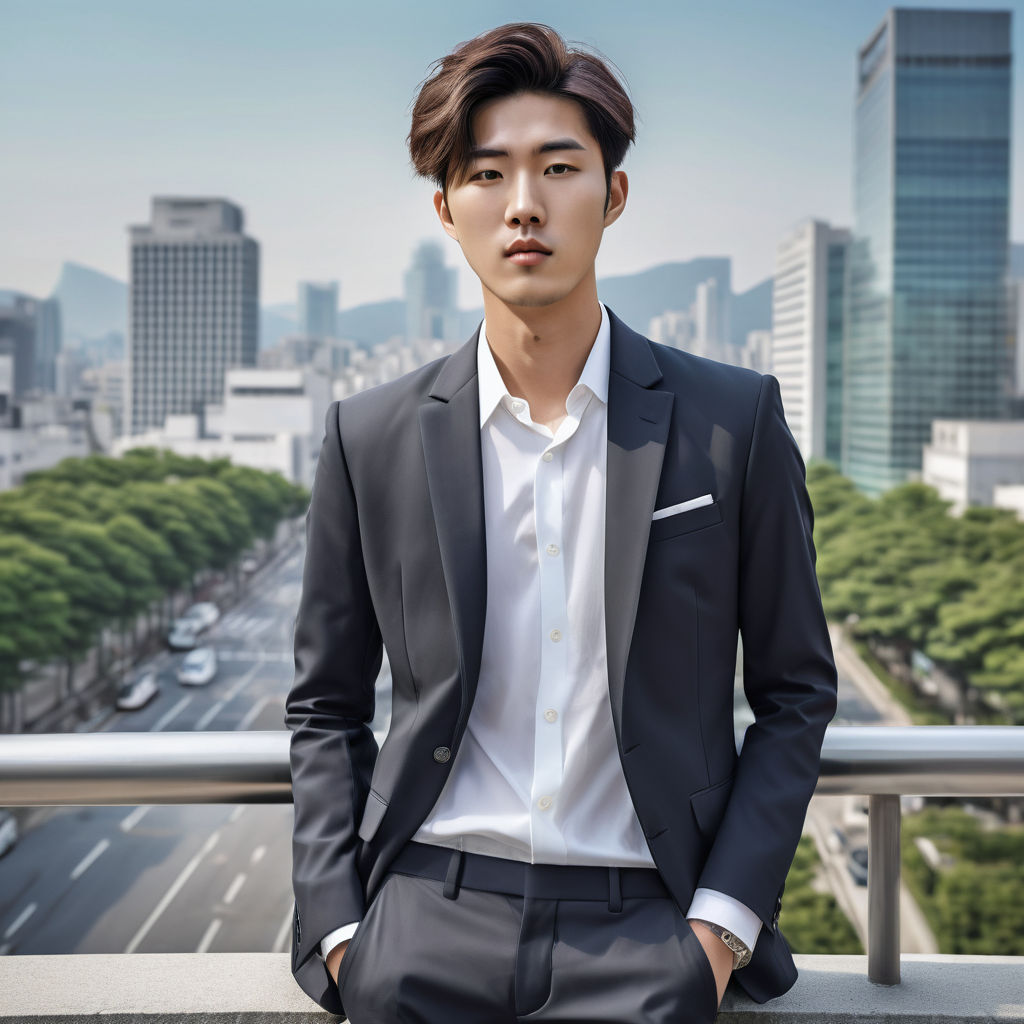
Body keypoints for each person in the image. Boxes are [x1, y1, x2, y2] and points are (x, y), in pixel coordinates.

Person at [286, 21, 838, 1023]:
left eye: (558, 167)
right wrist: (339, 931)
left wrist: (717, 931)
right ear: (447, 208)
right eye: (487, 174)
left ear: (612, 195)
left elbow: (796, 689)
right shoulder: (369, 435)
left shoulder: (731, 419)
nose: (524, 205)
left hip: (648, 932)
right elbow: (325, 703)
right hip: (421, 923)